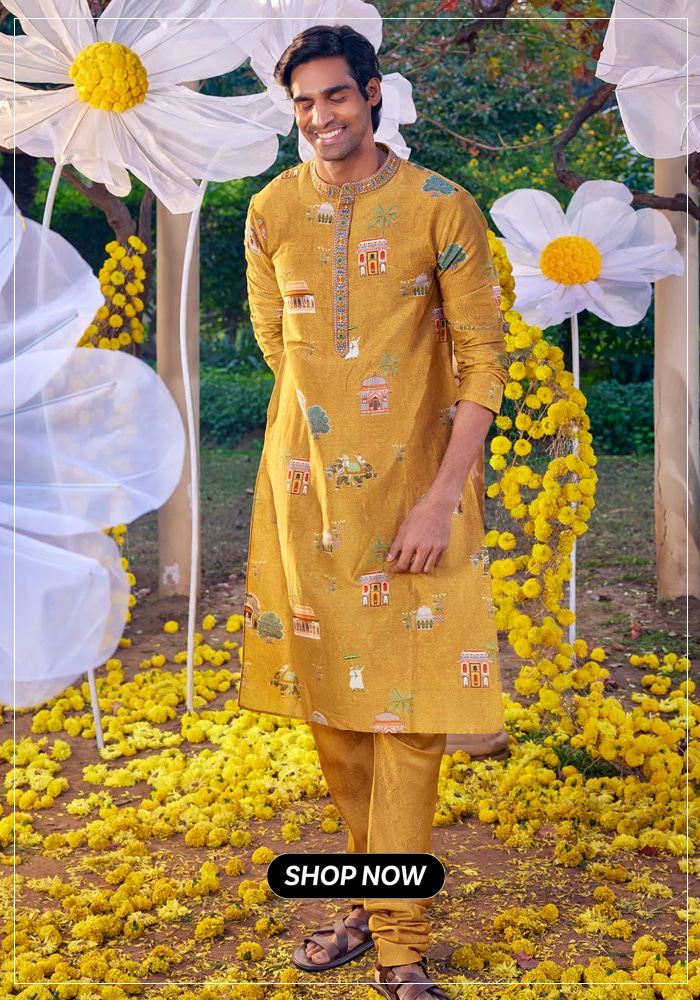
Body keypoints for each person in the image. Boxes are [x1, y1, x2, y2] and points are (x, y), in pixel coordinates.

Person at [240, 24, 508, 1000]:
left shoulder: (441, 206)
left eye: (334, 97)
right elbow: (284, 348)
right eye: (304, 103)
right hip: (307, 504)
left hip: (418, 505)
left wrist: (439, 493)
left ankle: (400, 945)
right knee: (340, 718)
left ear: (373, 92)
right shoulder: (269, 210)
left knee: (410, 724)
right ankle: (366, 895)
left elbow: (484, 356)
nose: (320, 117)